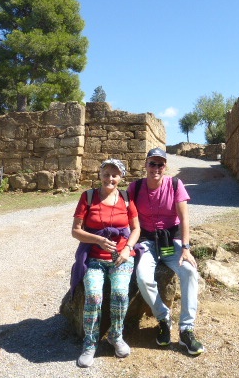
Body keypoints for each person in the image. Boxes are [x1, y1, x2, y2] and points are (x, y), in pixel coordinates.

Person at [127, 147, 204, 355]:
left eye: (160, 164)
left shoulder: (175, 184)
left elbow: (185, 218)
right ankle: (163, 317)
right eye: (152, 163)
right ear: (145, 165)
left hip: (171, 240)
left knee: (189, 271)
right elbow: (127, 219)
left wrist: (186, 249)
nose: (156, 168)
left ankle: (187, 329)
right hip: (148, 242)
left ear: (165, 167)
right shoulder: (135, 188)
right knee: (143, 277)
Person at [70, 158, 140, 368]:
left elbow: (136, 228)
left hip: (121, 258)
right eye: (106, 173)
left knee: (119, 293)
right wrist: (99, 240)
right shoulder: (88, 197)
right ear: (100, 174)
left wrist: (127, 249)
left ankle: (115, 336)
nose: (110, 178)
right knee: (93, 295)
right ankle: (90, 342)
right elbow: (75, 231)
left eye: (115, 174)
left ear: (121, 177)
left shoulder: (127, 198)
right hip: (94, 258)